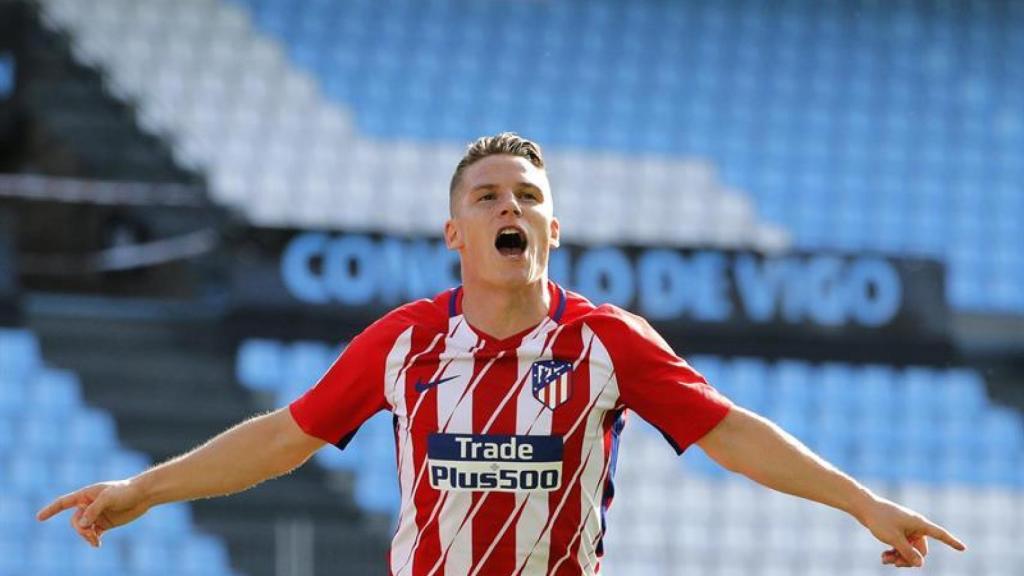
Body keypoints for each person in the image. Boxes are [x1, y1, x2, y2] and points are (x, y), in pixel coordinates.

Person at [38, 133, 965, 574]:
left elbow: (728, 431)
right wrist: (142, 489)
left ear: (554, 229)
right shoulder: (403, 342)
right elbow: (286, 436)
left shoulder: (607, 342)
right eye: (486, 196)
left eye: (525, 195)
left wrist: (862, 503)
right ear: (454, 231)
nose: (508, 207)